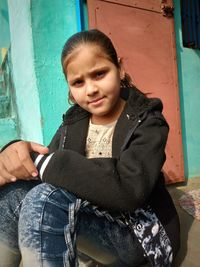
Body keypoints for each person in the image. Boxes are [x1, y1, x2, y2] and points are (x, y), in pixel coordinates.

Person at [0, 29, 180, 267]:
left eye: (99, 74)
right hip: (93, 222)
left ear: (120, 68)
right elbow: (47, 169)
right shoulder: (74, 122)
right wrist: (14, 153)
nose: (91, 89)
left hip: (140, 234)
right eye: (78, 82)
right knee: (13, 197)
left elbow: (128, 191)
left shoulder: (147, 121)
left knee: (45, 201)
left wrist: (44, 163)